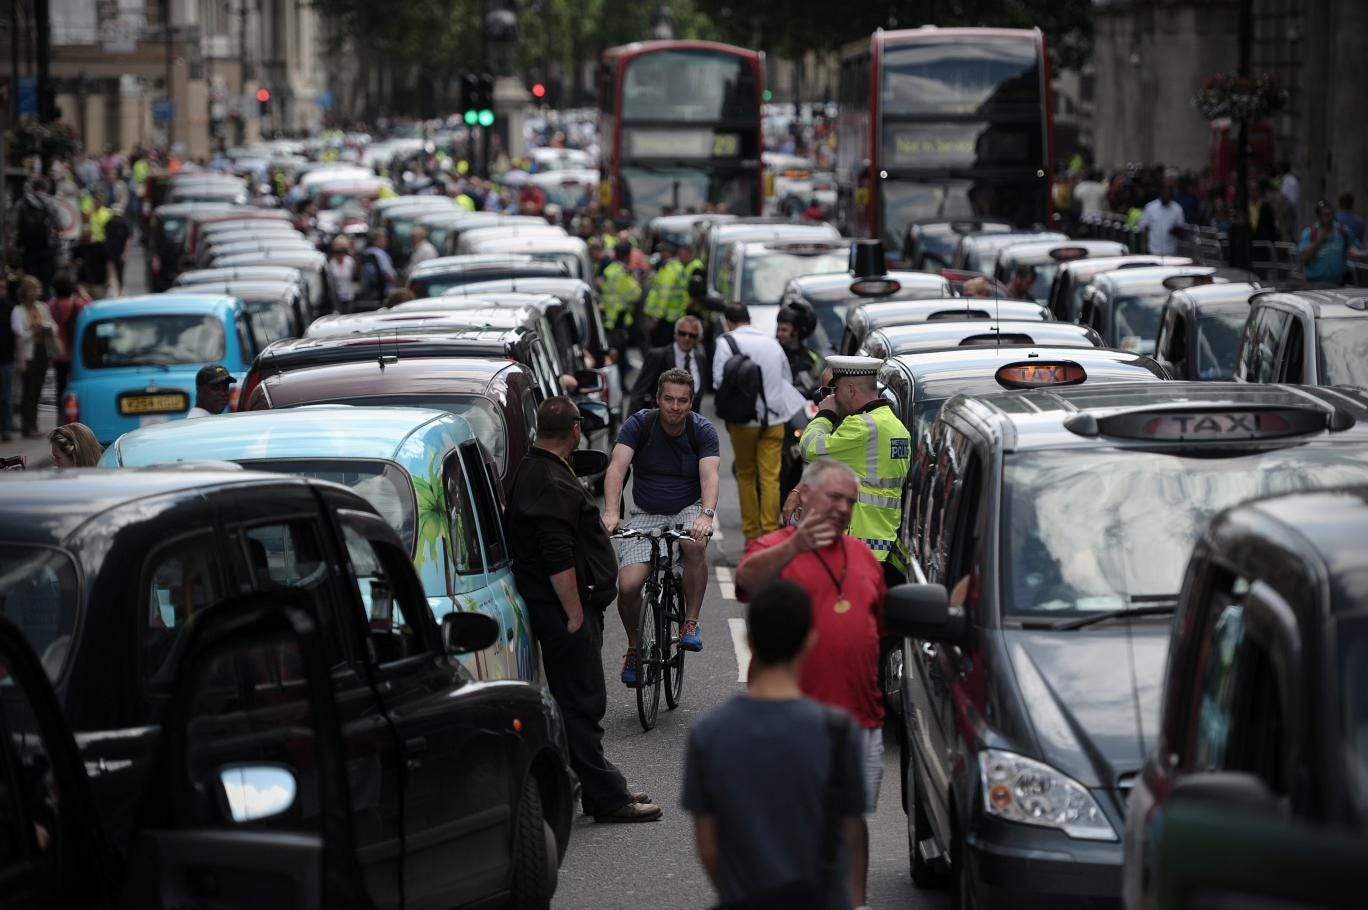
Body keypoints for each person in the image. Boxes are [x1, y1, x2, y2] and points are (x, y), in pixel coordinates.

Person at [734, 459, 887, 909]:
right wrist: (795, 546)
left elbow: (878, 622)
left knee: (850, 819)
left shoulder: (863, 557)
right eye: (834, 498)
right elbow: (745, 581)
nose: (843, 508)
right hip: (788, 721)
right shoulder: (775, 546)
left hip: (859, 717)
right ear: (804, 494)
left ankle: (854, 902)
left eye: (850, 502)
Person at [506, 396, 661, 823]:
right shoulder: (550, 481)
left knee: (578, 701)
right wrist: (574, 613)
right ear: (576, 428)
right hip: (565, 613)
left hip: (564, 608)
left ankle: (594, 785)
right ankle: (606, 797)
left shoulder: (537, 468)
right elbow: (557, 555)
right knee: (582, 703)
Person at [683, 578, 867, 910]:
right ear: (810, 641)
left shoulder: (708, 733)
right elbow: (851, 831)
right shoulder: (839, 732)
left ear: (749, 641)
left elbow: (708, 845)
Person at [602, 368, 720, 682]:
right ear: (658, 398)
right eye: (668, 399)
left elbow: (710, 475)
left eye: (682, 401)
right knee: (627, 587)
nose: (675, 407)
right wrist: (612, 512)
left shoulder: (702, 430)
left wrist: (705, 516)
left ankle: (691, 621)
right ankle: (634, 647)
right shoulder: (639, 424)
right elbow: (616, 469)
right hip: (645, 511)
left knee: (694, 545)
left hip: (688, 508)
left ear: (691, 402)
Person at [796, 355, 911, 583]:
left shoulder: (862, 426)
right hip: (886, 548)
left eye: (834, 390)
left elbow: (809, 448)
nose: (832, 397)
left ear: (849, 389)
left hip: (860, 548)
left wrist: (825, 414)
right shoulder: (895, 426)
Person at [712, 304, 806, 543]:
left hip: (743, 422)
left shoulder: (726, 343)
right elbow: (786, 380)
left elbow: (718, 381)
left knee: (746, 474)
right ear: (749, 319)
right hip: (774, 420)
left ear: (728, 322)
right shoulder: (771, 344)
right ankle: (770, 533)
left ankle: (752, 536)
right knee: (770, 477)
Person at [628, 315, 708, 414]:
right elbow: (638, 394)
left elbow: (697, 400)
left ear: (698, 338)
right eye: (682, 333)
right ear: (675, 334)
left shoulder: (700, 358)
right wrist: (631, 425)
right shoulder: (658, 356)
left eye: (692, 335)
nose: (687, 338)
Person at [11, 277, 56, 438]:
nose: (35, 293)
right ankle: (27, 426)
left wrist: (46, 328)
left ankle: (34, 424)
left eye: (37, 289)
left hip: (42, 350)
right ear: (24, 292)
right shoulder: (18, 310)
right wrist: (33, 330)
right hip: (28, 353)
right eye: (31, 289)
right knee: (28, 390)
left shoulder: (42, 307)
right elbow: (19, 334)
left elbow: (53, 326)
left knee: (37, 389)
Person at [1299, 199, 1368, 285]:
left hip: (1337, 284)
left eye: (1331, 214)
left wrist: (1363, 253)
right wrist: (1319, 240)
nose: (1329, 218)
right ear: (1319, 216)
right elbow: (1303, 256)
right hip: (1314, 284)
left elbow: (1353, 249)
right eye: (1326, 215)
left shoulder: (1342, 231)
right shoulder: (1310, 232)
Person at [599, 242, 641, 377]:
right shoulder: (622, 273)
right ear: (628, 255)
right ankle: (620, 385)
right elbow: (635, 294)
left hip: (609, 317)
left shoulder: (609, 270)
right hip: (619, 317)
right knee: (619, 355)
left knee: (614, 354)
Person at [46, 274, 84, 408]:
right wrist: (82, 293)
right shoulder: (78, 305)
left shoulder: (50, 306)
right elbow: (92, 307)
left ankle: (61, 415)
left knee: (60, 386)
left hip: (58, 353)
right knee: (75, 386)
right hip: (75, 353)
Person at [642, 242, 689, 347]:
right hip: (673, 317)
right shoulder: (678, 267)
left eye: (662, 251)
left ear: (668, 253)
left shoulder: (669, 270)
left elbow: (664, 296)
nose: (661, 254)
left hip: (664, 319)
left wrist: (656, 318)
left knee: (660, 349)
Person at [776, 300, 822, 397]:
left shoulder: (812, 359)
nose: (779, 334)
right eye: (778, 329)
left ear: (796, 331)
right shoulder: (774, 354)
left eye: (784, 330)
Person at [1138, 182, 1187, 256]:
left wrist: (1175, 231)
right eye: (1163, 193)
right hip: (1153, 251)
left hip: (1171, 252)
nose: (1165, 196)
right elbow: (1144, 228)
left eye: (1168, 194)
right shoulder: (1150, 208)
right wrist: (1143, 248)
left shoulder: (1177, 209)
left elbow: (1181, 228)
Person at [357, 230, 399, 307]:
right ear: (376, 240)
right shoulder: (380, 254)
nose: (386, 241)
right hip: (386, 292)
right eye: (384, 238)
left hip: (370, 293)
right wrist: (398, 286)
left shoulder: (366, 252)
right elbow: (387, 274)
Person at [327, 236, 358, 313]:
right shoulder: (331, 263)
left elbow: (356, 276)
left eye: (342, 251)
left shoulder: (350, 261)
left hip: (349, 294)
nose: (340, 254)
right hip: (336, 297)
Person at [0, 283, 15, 441]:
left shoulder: (10, 308)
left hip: (6, 358)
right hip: (6, 358)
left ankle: (7, 427)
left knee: (6, 396)